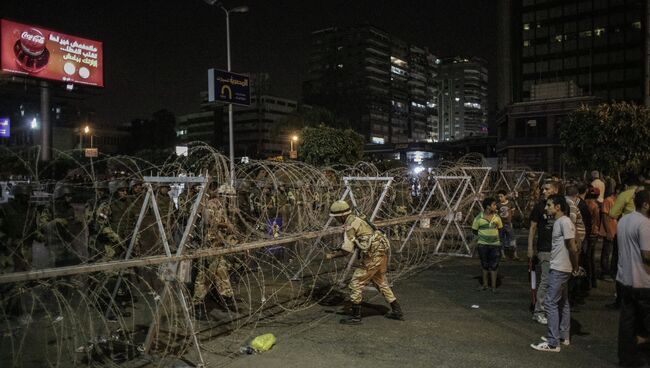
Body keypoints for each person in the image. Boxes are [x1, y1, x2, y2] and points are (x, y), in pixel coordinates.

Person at [325, 200, 403, 324]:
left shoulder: (349, 225)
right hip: (381, 253)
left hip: (372, 257)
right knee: (380, 281)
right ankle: (397, 310)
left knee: (356, 282)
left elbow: (346, 251)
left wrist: (331, 255)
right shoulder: (358, 218)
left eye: (336, 217)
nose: (336, 220)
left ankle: (356, 316)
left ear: (342, 215)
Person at [531, 194, 579, 352]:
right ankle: (563, 336)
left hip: (560, 267)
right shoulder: (562, 222)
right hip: (562, 267)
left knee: (550, 303)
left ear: (558, 207)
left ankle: (553, 342)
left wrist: (576, 265)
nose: (546, 208)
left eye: (549, 205)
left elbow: (572, 246)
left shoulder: (563, 222)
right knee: (563, 302)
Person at [615, 189, 650, 367]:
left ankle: (626, 359)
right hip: (643, 282)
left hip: (625, 279)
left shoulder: (623, 220)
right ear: (645, 204)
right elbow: (647, 255)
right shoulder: (645, 224)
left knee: (627, 324)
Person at [528, 180, 560, 325]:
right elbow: (533, 228)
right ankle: (539, 311)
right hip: (545, 249)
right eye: (543, 189)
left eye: (547, 189)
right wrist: (530, 248)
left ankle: (550, 308)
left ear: (555, 190)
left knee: (557, 281)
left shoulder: (561, 206)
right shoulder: (539, 207)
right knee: (546, 280)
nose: (543, 191)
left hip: (559, 249)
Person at [472, 197, 503, 291]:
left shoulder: (497, 217)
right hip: (483, 245)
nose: (496, 206)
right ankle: (485, 285)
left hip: (495, 245)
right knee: (484, 265)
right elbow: (474, 230)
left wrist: (496, 239)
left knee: (494, 265)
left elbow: (500, 228)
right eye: (494, 204)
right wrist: (482, 238)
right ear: (488, 207)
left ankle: (493, 287)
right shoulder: (479, 218)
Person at [497, 190, 518, 260]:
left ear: (505, 196)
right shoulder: (498, 205)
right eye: (499, 197)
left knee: (512, 238)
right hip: (501, 225)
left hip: (508, 224)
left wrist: (511, 221)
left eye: (501, 196)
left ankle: (514, 254)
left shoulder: (510, 203)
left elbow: (513, 212)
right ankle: (502, 255)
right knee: (501, 239)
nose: (500, 198)